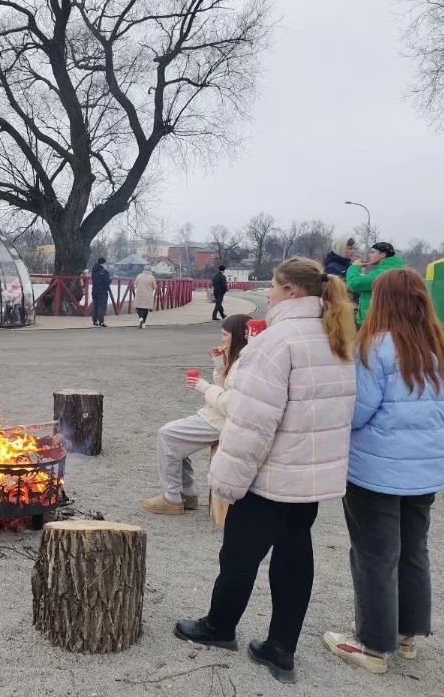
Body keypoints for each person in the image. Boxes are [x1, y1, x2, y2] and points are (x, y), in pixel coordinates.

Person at [175, 257, 357, 684]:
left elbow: (252, 422)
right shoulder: (335, 337)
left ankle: (220, 626)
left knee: (239, 554)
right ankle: (281, 647)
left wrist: (225, 481)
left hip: (271, 475)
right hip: (308, 477)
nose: (269, 296)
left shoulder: (276, 342)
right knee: (295, 557)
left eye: (273, 288)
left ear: (291, 291)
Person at [323, 269, 444, 674]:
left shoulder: (373, 350)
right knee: (413, 551)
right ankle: (406, 634)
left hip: (377, 471)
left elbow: (358, 413)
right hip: (427, 471)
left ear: (380, 301)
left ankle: (373, 645)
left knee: (375, 555)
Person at [141, 314, 251, 515]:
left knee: (167, 435)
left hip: (222, 421)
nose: (222, 339)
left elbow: (229, 404)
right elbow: (225, 388)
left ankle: (172, 497)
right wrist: (219, 366)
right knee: (173, 436)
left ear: (236, 336)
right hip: (218, 416)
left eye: (225, 335)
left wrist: (203, 387)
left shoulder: (244, 363)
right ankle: (188, 493)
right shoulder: (239, 359)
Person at [346, 242, 405, 326]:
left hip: (375, 324)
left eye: (373, 252)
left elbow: (354, 283)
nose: (369, 255)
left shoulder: (382, 273)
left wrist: (354, 267)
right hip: (388, 322)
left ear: (383, 255)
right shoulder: (396, 269)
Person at [90, 257, 112, 327]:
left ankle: (94, 320)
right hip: (102, 290)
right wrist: (110, 281)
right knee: (102, 306)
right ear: (103, 263)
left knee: (95, 305)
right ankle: (101, 321)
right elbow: (106, 281)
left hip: (94, 289)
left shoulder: (93, 270)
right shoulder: (104, 272)